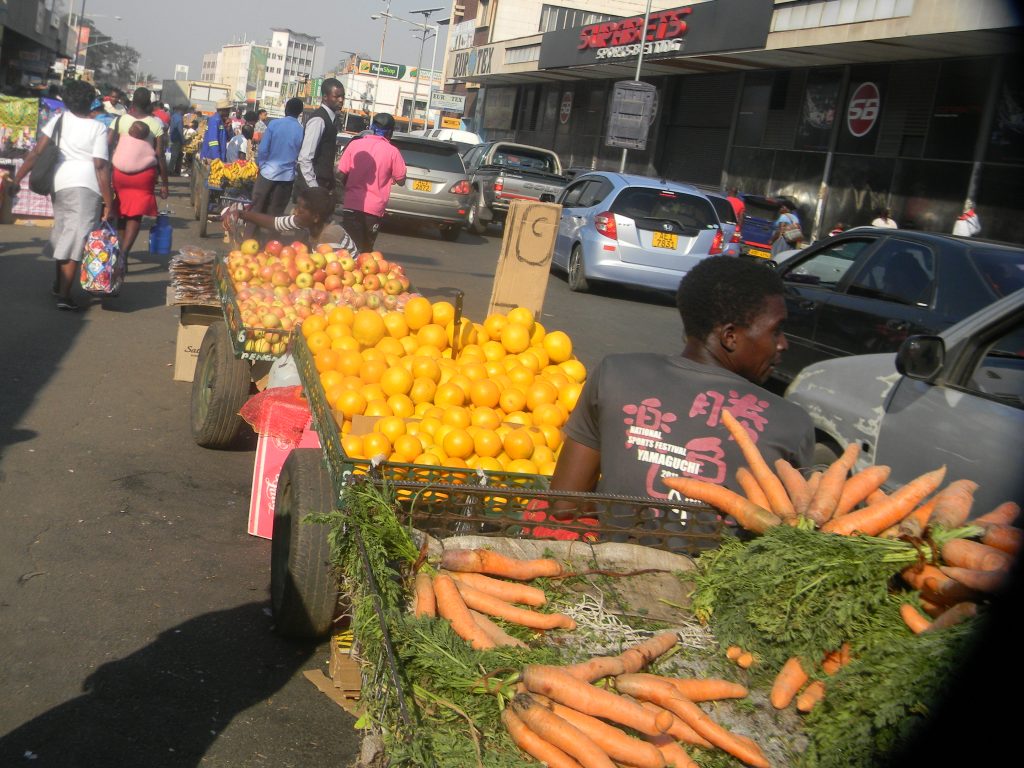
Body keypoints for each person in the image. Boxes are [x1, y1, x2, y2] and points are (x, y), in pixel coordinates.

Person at [549, 256, 814, 506]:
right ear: (730, 336)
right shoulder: (791, 423)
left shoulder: (615, 374)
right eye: (775, 331)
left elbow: (563, 505)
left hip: (606, 554)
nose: (783, 344)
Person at [13, 79, 113, 310]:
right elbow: (100, 165)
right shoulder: (97, 127)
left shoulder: (58, 120)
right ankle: (64, 296)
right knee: (76, 237)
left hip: (60, 183)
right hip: (86, 186)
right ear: (90, 102)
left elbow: (36, 152)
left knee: (65, 231)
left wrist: (18, 179)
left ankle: (59, 285)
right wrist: (108, 201)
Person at [109, 87, 169, 260]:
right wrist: (165, 184)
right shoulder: (156, 124)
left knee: (121, 209)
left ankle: (119, 248)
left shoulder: (120, 121)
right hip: (144, 176)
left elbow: (107, 144)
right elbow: (161, 156)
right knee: (135, 214)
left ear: (132, 102)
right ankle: (124, 253)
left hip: (119, 173)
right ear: (150, 104)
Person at [336, 112, 407, 252]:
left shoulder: (354, 145)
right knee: (365, 251)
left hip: (351, 205)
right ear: (390, 132)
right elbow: (401, 180)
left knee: (348, 249)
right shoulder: (393, 152)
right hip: (373, 210)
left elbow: (340, 173)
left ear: (371, 128)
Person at [223, 186, 358, 253]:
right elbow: (275, 223)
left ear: (315, 217)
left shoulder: (330, 236)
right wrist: (241, 214)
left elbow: (331, 275)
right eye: (297, 206)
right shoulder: (306, 222)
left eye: (301, 209)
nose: (296, 211)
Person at [244, 97, 304, 240]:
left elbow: (264, 149)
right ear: (300, 113)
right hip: (287, 178)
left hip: (267, 173)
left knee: (256, 208)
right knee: (276, 215)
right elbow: (301, 154)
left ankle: (248, 240)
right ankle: (271, 247)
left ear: (285, 109)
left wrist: (262, 165)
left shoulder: (274, 124)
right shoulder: (301, 130)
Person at [295, 78, 345, 196]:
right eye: (336, 96)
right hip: (312, 190)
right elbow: (305, 158)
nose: (341, 100)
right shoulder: (319, 120)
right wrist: (314, 188)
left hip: (322, 187)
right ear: (325, 97)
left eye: (342, 96)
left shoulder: (332, 120)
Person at [168, 105, 185, 176]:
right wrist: (183, 140)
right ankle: (170, 170)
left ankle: (172, 170)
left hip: (172, 137)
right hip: (177, 139)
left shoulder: (173, 116)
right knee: (175, 156)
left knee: (173, 155)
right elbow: (180, 130)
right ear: (181, 110)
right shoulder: (179, 119)